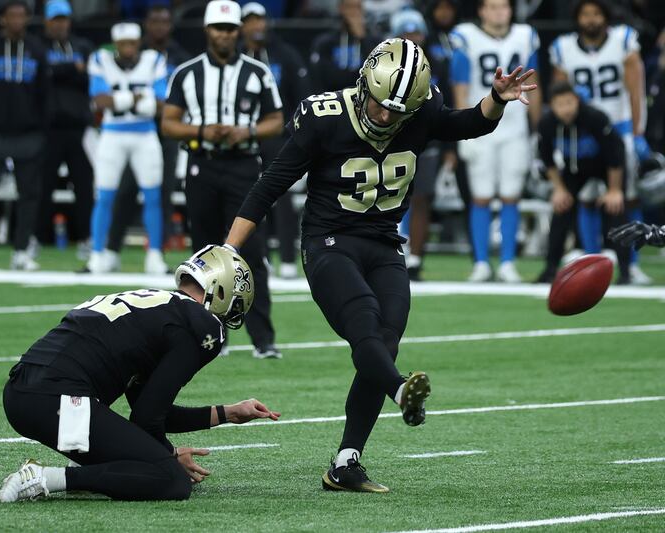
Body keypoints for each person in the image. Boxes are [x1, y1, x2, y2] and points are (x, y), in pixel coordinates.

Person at [224, 38, 536, 491]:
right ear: (363, 81)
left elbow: (467, 125)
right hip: (329, 243)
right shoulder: (324, 118)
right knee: (365, 326)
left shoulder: (421, 109)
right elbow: (268, 185)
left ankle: (347, 463)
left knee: (384, 341)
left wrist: (495, 101)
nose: (386, 116)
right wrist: (231, 249)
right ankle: (399, 390)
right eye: (380, 103)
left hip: (385, 243)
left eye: (398, 110)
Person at [0, 245, 281, 502]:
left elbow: (148, 409)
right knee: (171, 480)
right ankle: (43, 478)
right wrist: (168, 456)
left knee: (155, 465)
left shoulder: (156, 307)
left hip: (23, 394)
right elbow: (147, 418)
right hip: (59, 399)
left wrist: (228, 413)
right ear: (220, 293)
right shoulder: (202, 324)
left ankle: (91, 463)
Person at [161, 0, 284, 359]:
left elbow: (277, 120)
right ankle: (211, 335)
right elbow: (168, 122)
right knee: (203, 254)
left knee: (253, 252)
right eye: (219, 28)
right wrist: (203, 131)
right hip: (202, 163)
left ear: (240, 31)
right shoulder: (186, 72)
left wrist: (245, 131)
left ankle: (264, 339)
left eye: (230, 29)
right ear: (207, 30)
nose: (225, 35)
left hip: (244, 165)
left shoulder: (258, 71)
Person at [549, 0, 652, 285]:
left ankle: (632, 262)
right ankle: (591, 262)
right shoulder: (564, 47)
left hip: (618, 127)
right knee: (587, 197)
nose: (591, 19)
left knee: (626, 197)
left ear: (606, 17)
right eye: (585, 14)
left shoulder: (623, 40)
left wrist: (637, 131)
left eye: (596, 13)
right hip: (581, 131)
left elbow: (636, 90)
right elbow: (560, 94)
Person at [450, 0, 541, 282]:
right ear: (481, 10)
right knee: (481, 195)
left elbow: (535, 84)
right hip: (482, 122)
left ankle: (507, 262)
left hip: (515, 126)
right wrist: (462, 126)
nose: (498, 12)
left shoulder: (526, 36)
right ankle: (480, 262)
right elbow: (460, 82)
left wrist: (536, 129)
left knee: (511, 193)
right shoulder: (465, 35)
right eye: (492, 6)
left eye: (503, 6)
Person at [105, 3, 191, 259]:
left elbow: (182, 96)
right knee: (125, 191)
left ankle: (158, 249)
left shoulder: (180, 57)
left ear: (170, 26)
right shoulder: (135, 56)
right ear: (146, 27)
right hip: (137, 130)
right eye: (154, 22)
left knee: (163, 191)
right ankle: (111, 248)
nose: (159, 27)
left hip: (167, 134)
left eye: (164, 22)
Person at [0, 0, 49, 271]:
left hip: (28, 134)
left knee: (28, 195)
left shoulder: (37, 50)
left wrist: (40, 129)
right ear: (3, 19)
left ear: (27, 19)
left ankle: (21, 251)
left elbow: (44, 94)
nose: (16, 20)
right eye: (11, 15)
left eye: (21, 15)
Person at [85, 22, 168, 275]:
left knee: (153, 196)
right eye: (123, 44)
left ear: (139, 43)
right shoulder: (100, 59)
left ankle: (154, 255)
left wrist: (119, 100)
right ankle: (97, 254)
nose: (128, 48)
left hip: (145, 135)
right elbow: (99, 101)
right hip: (112, 135)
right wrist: (135, 99)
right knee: (104, 195)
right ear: (115, 45)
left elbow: (161, 102)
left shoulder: (154, 60)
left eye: (132, 43)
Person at [239, 1, 311, 279]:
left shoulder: (285, 54)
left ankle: (289, 259)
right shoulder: (236, 57)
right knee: (249, 197)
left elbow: (301, 96)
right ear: (242, 26)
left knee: (281, 197)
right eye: (251, 21)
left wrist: (295, 134)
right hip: (243, 138)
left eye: (260, 20)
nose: (257, 26)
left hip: (279, 136)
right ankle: (260, 258)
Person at [535, 81, 630, 283]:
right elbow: (547, 159)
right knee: (561, 209)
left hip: (607, 167)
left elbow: (615, 154)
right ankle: (550, 269)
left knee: (616, 210)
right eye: (560, 104)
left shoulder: (595, 117)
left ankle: (626, 271)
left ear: (577, 101)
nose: (565, 109)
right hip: (574, 169)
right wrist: (559, 189)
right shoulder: (547, 123)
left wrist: (614, 190)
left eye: (569, 103)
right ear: (552, 105)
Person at [390, 7, 457, 281]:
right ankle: (390, 253)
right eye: (406, 34)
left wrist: (450, 150)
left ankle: (415, 258)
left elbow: (448, 107)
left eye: (416, 33)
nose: (412, 39)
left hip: (427, 141)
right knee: (388, 197)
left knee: (421, 199)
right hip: (391, 140)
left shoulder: (437, 65)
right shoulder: (383, 64)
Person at [32, 0, 94, 259]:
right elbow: (40, 74)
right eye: (55, 20)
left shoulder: (82, 46)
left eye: (64, 19)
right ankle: (36, 238)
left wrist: (59, 72)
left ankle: (86, 239)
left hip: (79, 129)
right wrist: (71, 70)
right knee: (42, 187)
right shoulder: (37, 46)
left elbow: (91, 75)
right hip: (49, 129)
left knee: (83, 187)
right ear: (46, 22)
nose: (60, 25)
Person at [308, 0, 381, 94]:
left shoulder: (374, 41)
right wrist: (355, 76)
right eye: (350, 7)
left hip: (364, 97)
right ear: (341, 8)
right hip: (333, 97)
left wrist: (362, 39)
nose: (354, 12)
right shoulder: (325, 42)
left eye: (358, 7)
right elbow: (326, 78)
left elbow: (376, 74)